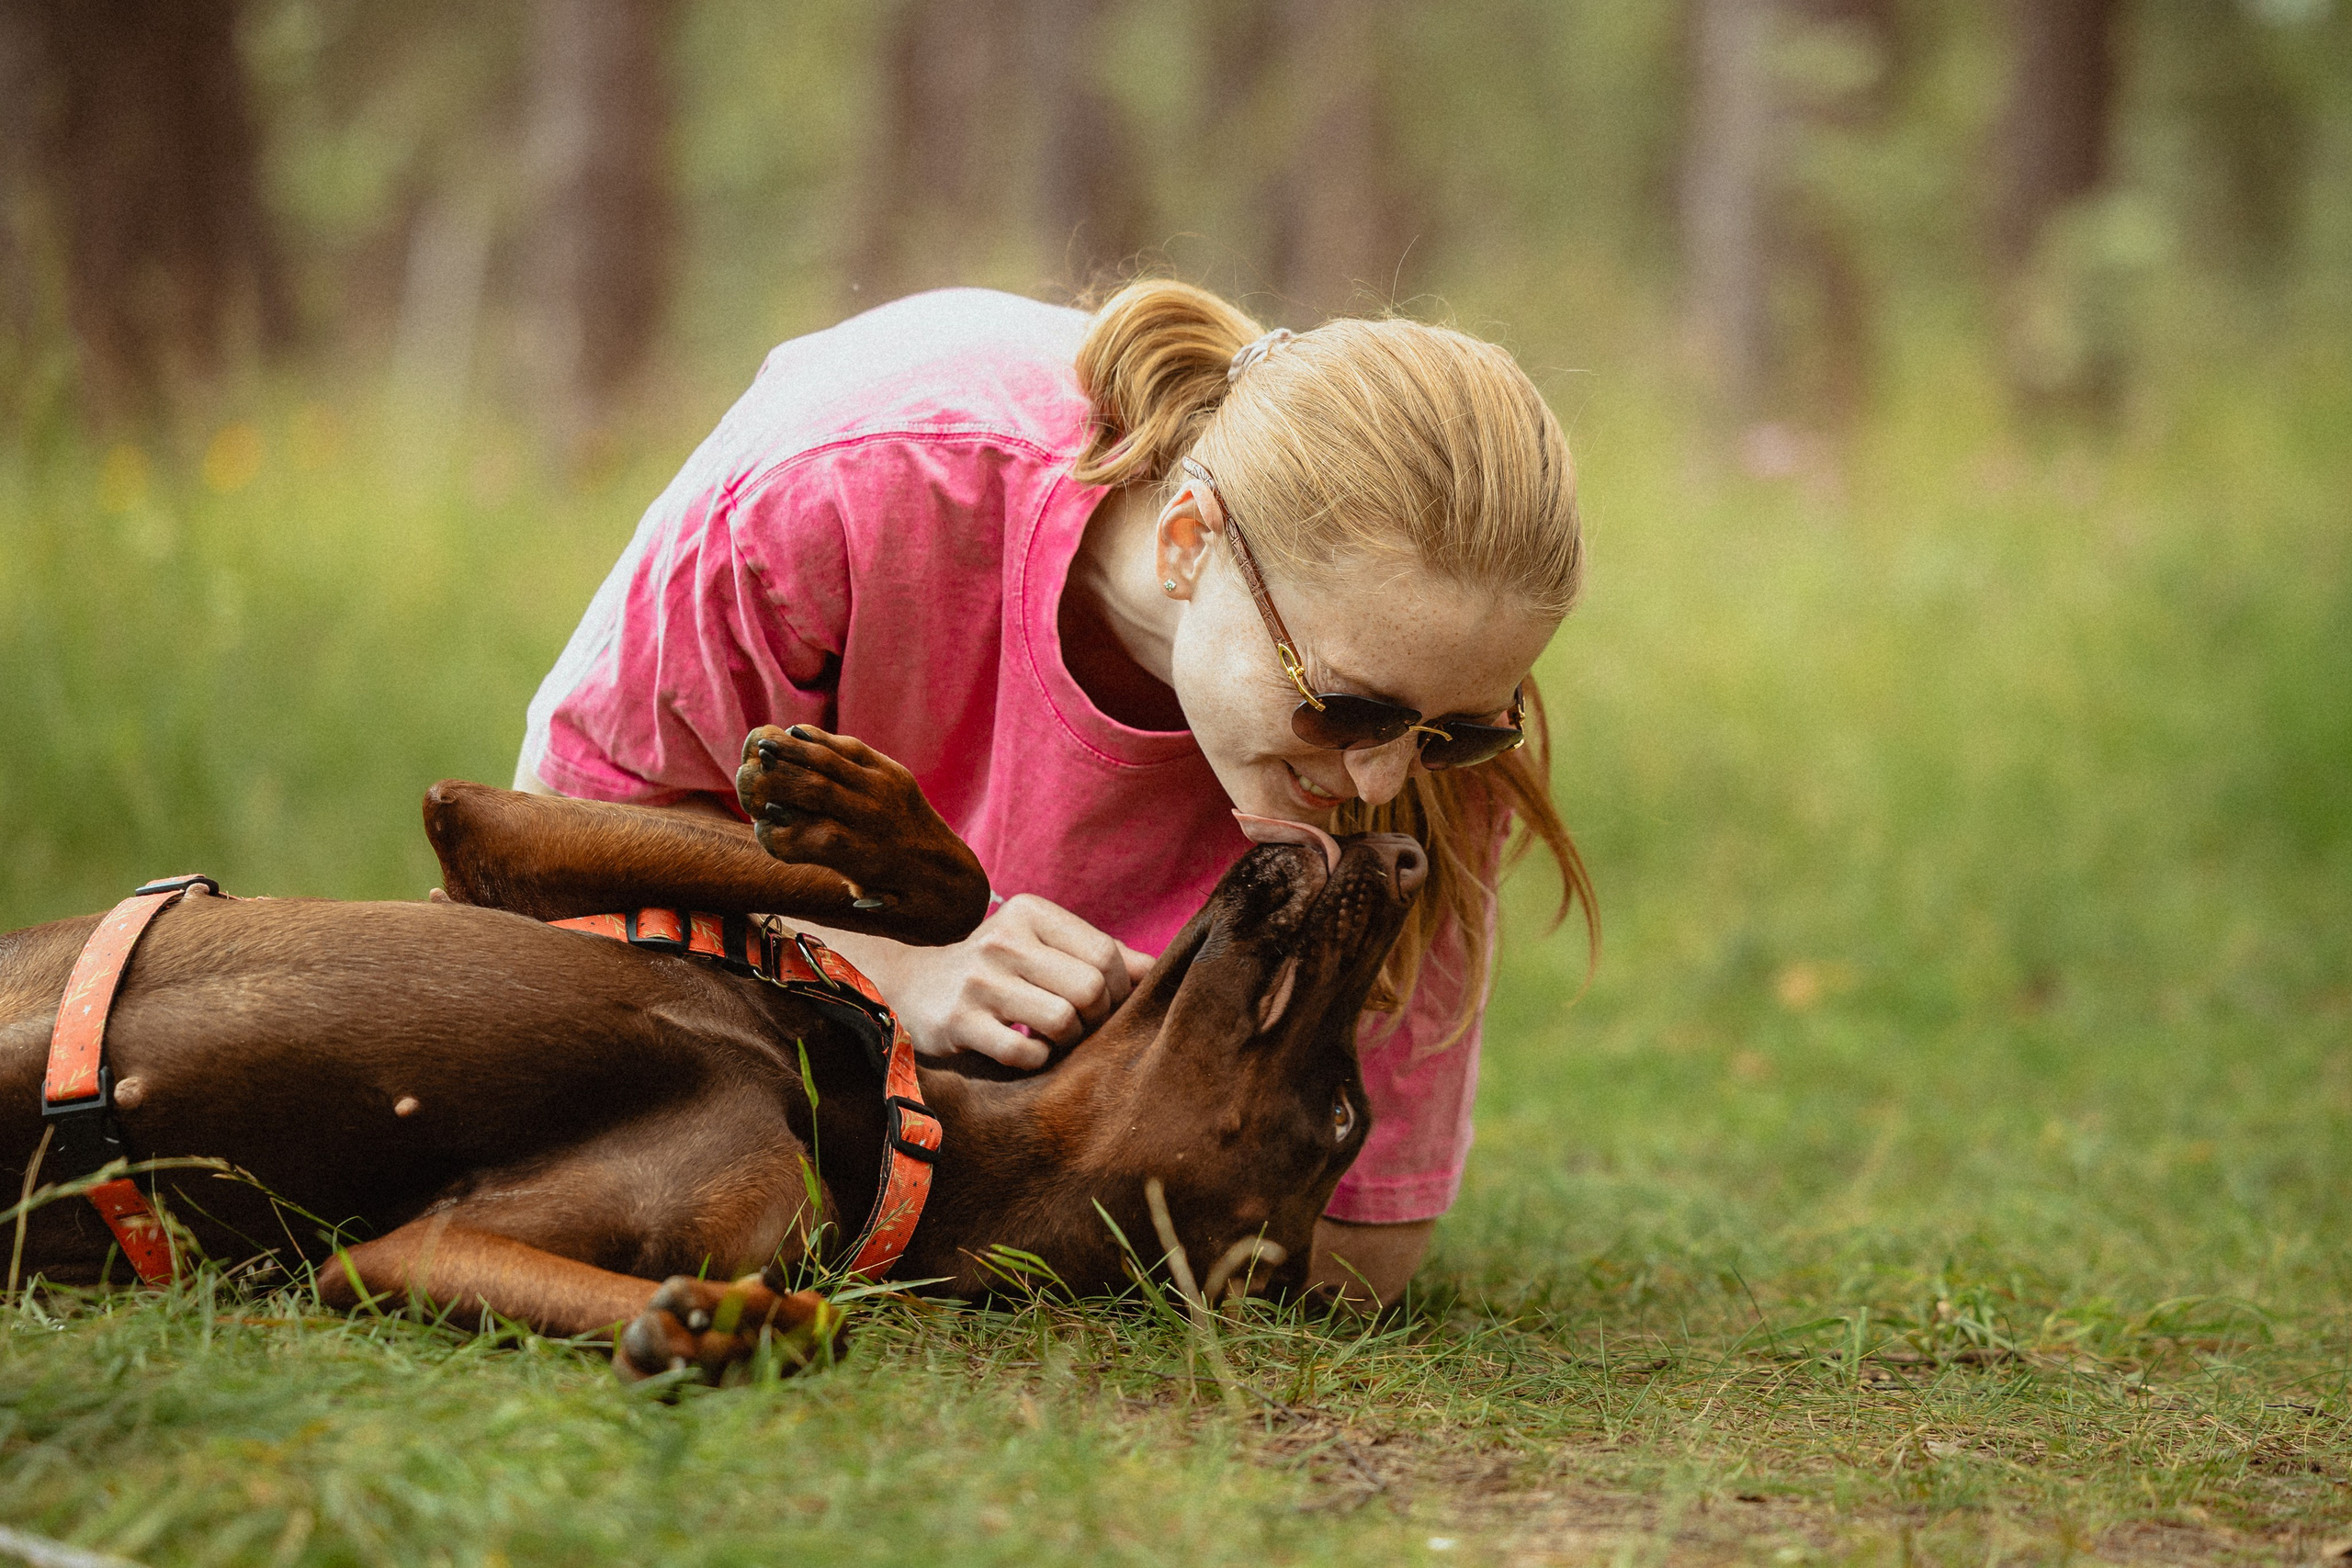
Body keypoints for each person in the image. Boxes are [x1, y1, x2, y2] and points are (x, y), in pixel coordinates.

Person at [516, 279, 1593, 1307]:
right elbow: (546, 864)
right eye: (1342, 708)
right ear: (1188, 541)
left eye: (1462, 732)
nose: (1383, 778)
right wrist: (887, 967)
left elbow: (1357, 1253)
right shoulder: (850, 482)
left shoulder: (1427, 674)